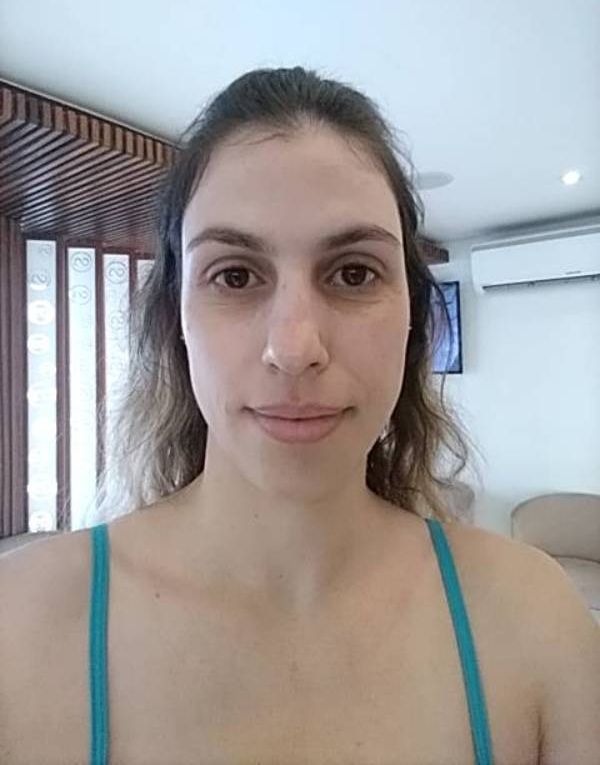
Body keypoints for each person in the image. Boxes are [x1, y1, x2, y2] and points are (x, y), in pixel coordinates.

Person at [2, 67, 599, 765]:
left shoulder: (535, 623)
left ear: (414, 321)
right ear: (175, 321)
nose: (293, 349)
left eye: (354, 273)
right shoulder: (20, 627)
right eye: (234, 275)